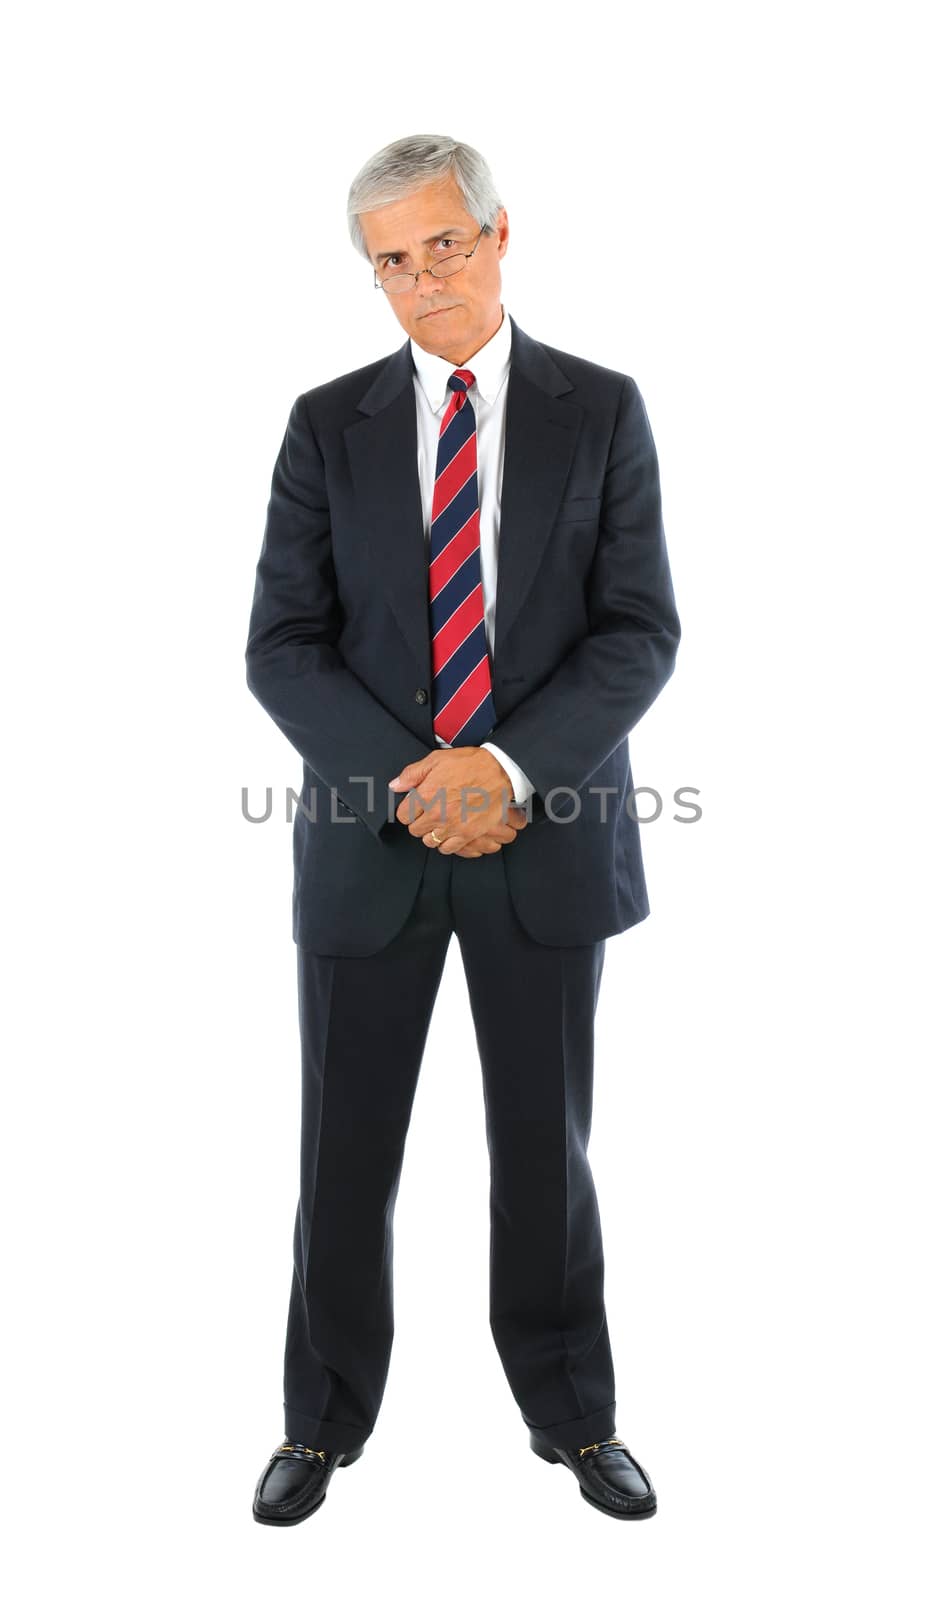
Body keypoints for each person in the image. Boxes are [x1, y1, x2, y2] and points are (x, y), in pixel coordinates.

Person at [245, 133, 680, 1526]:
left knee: (545, 1153)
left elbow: (637, 634)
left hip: (545, 846)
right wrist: (424, 780)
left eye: (442, 244)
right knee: (343, 1152)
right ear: (368, 279)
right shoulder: (328, 426)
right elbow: (283, 647)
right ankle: (320, 1423)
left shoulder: (600, 411)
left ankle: (574, 1415)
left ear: (500, 234)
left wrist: (502, 767)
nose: (421, 278)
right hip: (369, 854)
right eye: (391, 261)